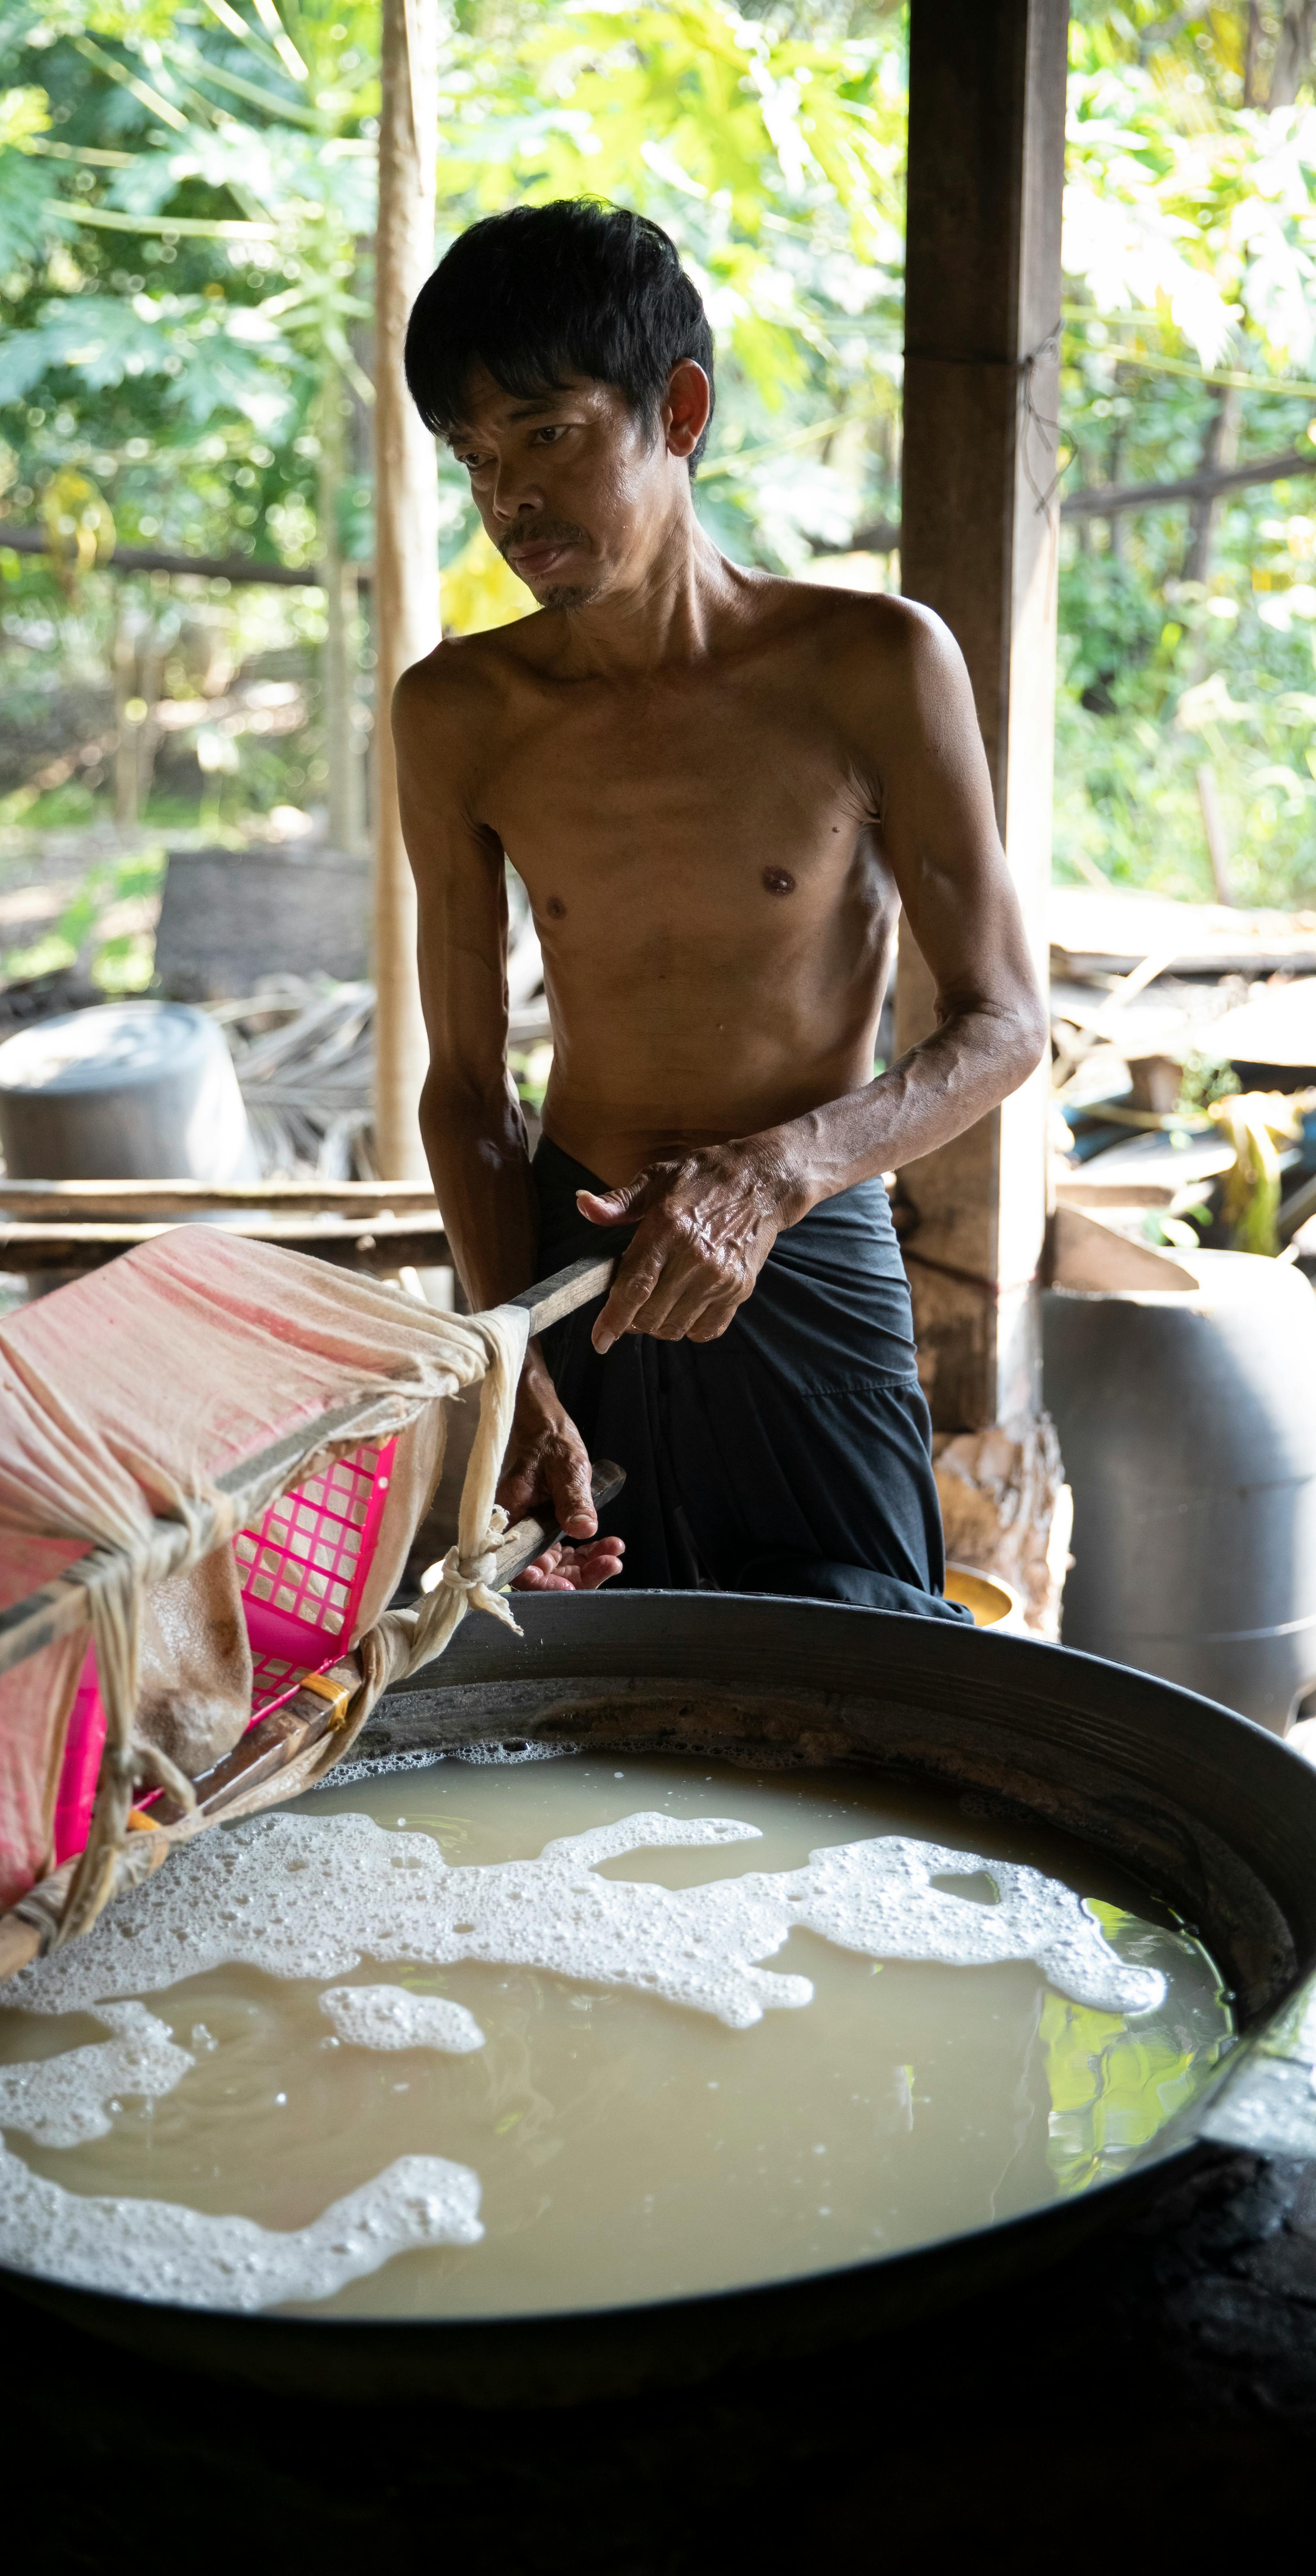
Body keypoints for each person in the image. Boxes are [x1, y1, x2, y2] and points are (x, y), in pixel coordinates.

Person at [395, 201, 1045, 1615]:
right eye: (476, 456)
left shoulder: (872, 663)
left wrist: (776, 1175)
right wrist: (508, 1352)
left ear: (677, 411)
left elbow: (1003, 1025)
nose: (509, 498)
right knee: (584, 1675)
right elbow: (466, 1090)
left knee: (866, 1662)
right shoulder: (458, 712)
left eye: (547, 433)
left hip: (808, 1247)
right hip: (569, 1269)